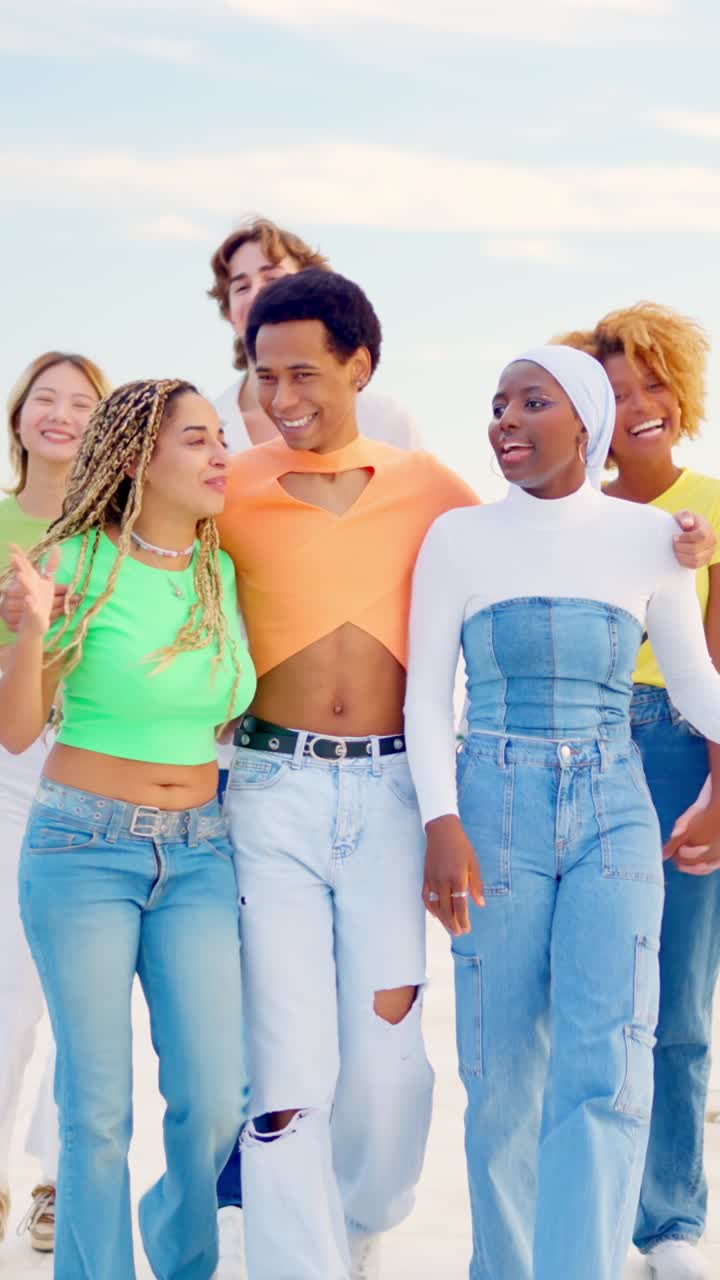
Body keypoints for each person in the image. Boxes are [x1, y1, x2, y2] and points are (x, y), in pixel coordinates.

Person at [404, 345, 720, 1280]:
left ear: (586, 423)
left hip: (615, 806)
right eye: (498, 403)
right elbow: (427, 699)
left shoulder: (651, 538)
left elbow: (695, 686)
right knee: (501, 1071)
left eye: (531, 402)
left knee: (610, 1062)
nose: (505, 419)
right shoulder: (458, 538)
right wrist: (440, 822)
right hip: (490, 805)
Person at [216, 268, 478, 1280]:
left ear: (360, 366)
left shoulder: (430, 487)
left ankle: (365, 1216)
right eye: (264, 375)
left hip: (391, 795)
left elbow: (521, 557)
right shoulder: (229, 486)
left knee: (386, 1060)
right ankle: (299, 1260)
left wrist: (673, 544)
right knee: (288, 1064)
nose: (282, 398)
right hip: (268, 793)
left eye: (304, 374)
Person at [0, 378, 256, 1280]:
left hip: (199, 851)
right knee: (97, 1109)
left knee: (215, 1096)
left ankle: (182, 1256)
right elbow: (18, 730)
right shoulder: (74, 562)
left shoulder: (220, 574)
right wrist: (31, 630)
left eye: (221, 437)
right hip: (84, 850)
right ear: (141, 460)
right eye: (197, 439)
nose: (220, 454)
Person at [559, 304, 720, 1280]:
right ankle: (583, 1210)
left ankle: (670, 1223)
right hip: (578, 749)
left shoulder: (712, 506)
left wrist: (719, 792)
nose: (640, 406)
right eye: (616, 393)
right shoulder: (573, 512)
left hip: (682, 753)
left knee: (681, 1007)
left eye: (654, 384)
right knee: (586, 1001)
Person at [0, 350, 111, 1253]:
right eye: (45, 398)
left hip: (99, 766)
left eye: (81, 403)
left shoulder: (122, 534)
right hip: (8, 770)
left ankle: (55, 1178)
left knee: (83, 994)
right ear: (19, 415)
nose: (61, 415)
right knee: (6, 992)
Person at [208, 215, 421, 453]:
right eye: (241, 287)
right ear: (229, 313)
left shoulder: (386, 421)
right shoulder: (207, 426)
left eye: (273, 279)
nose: (256, 294)